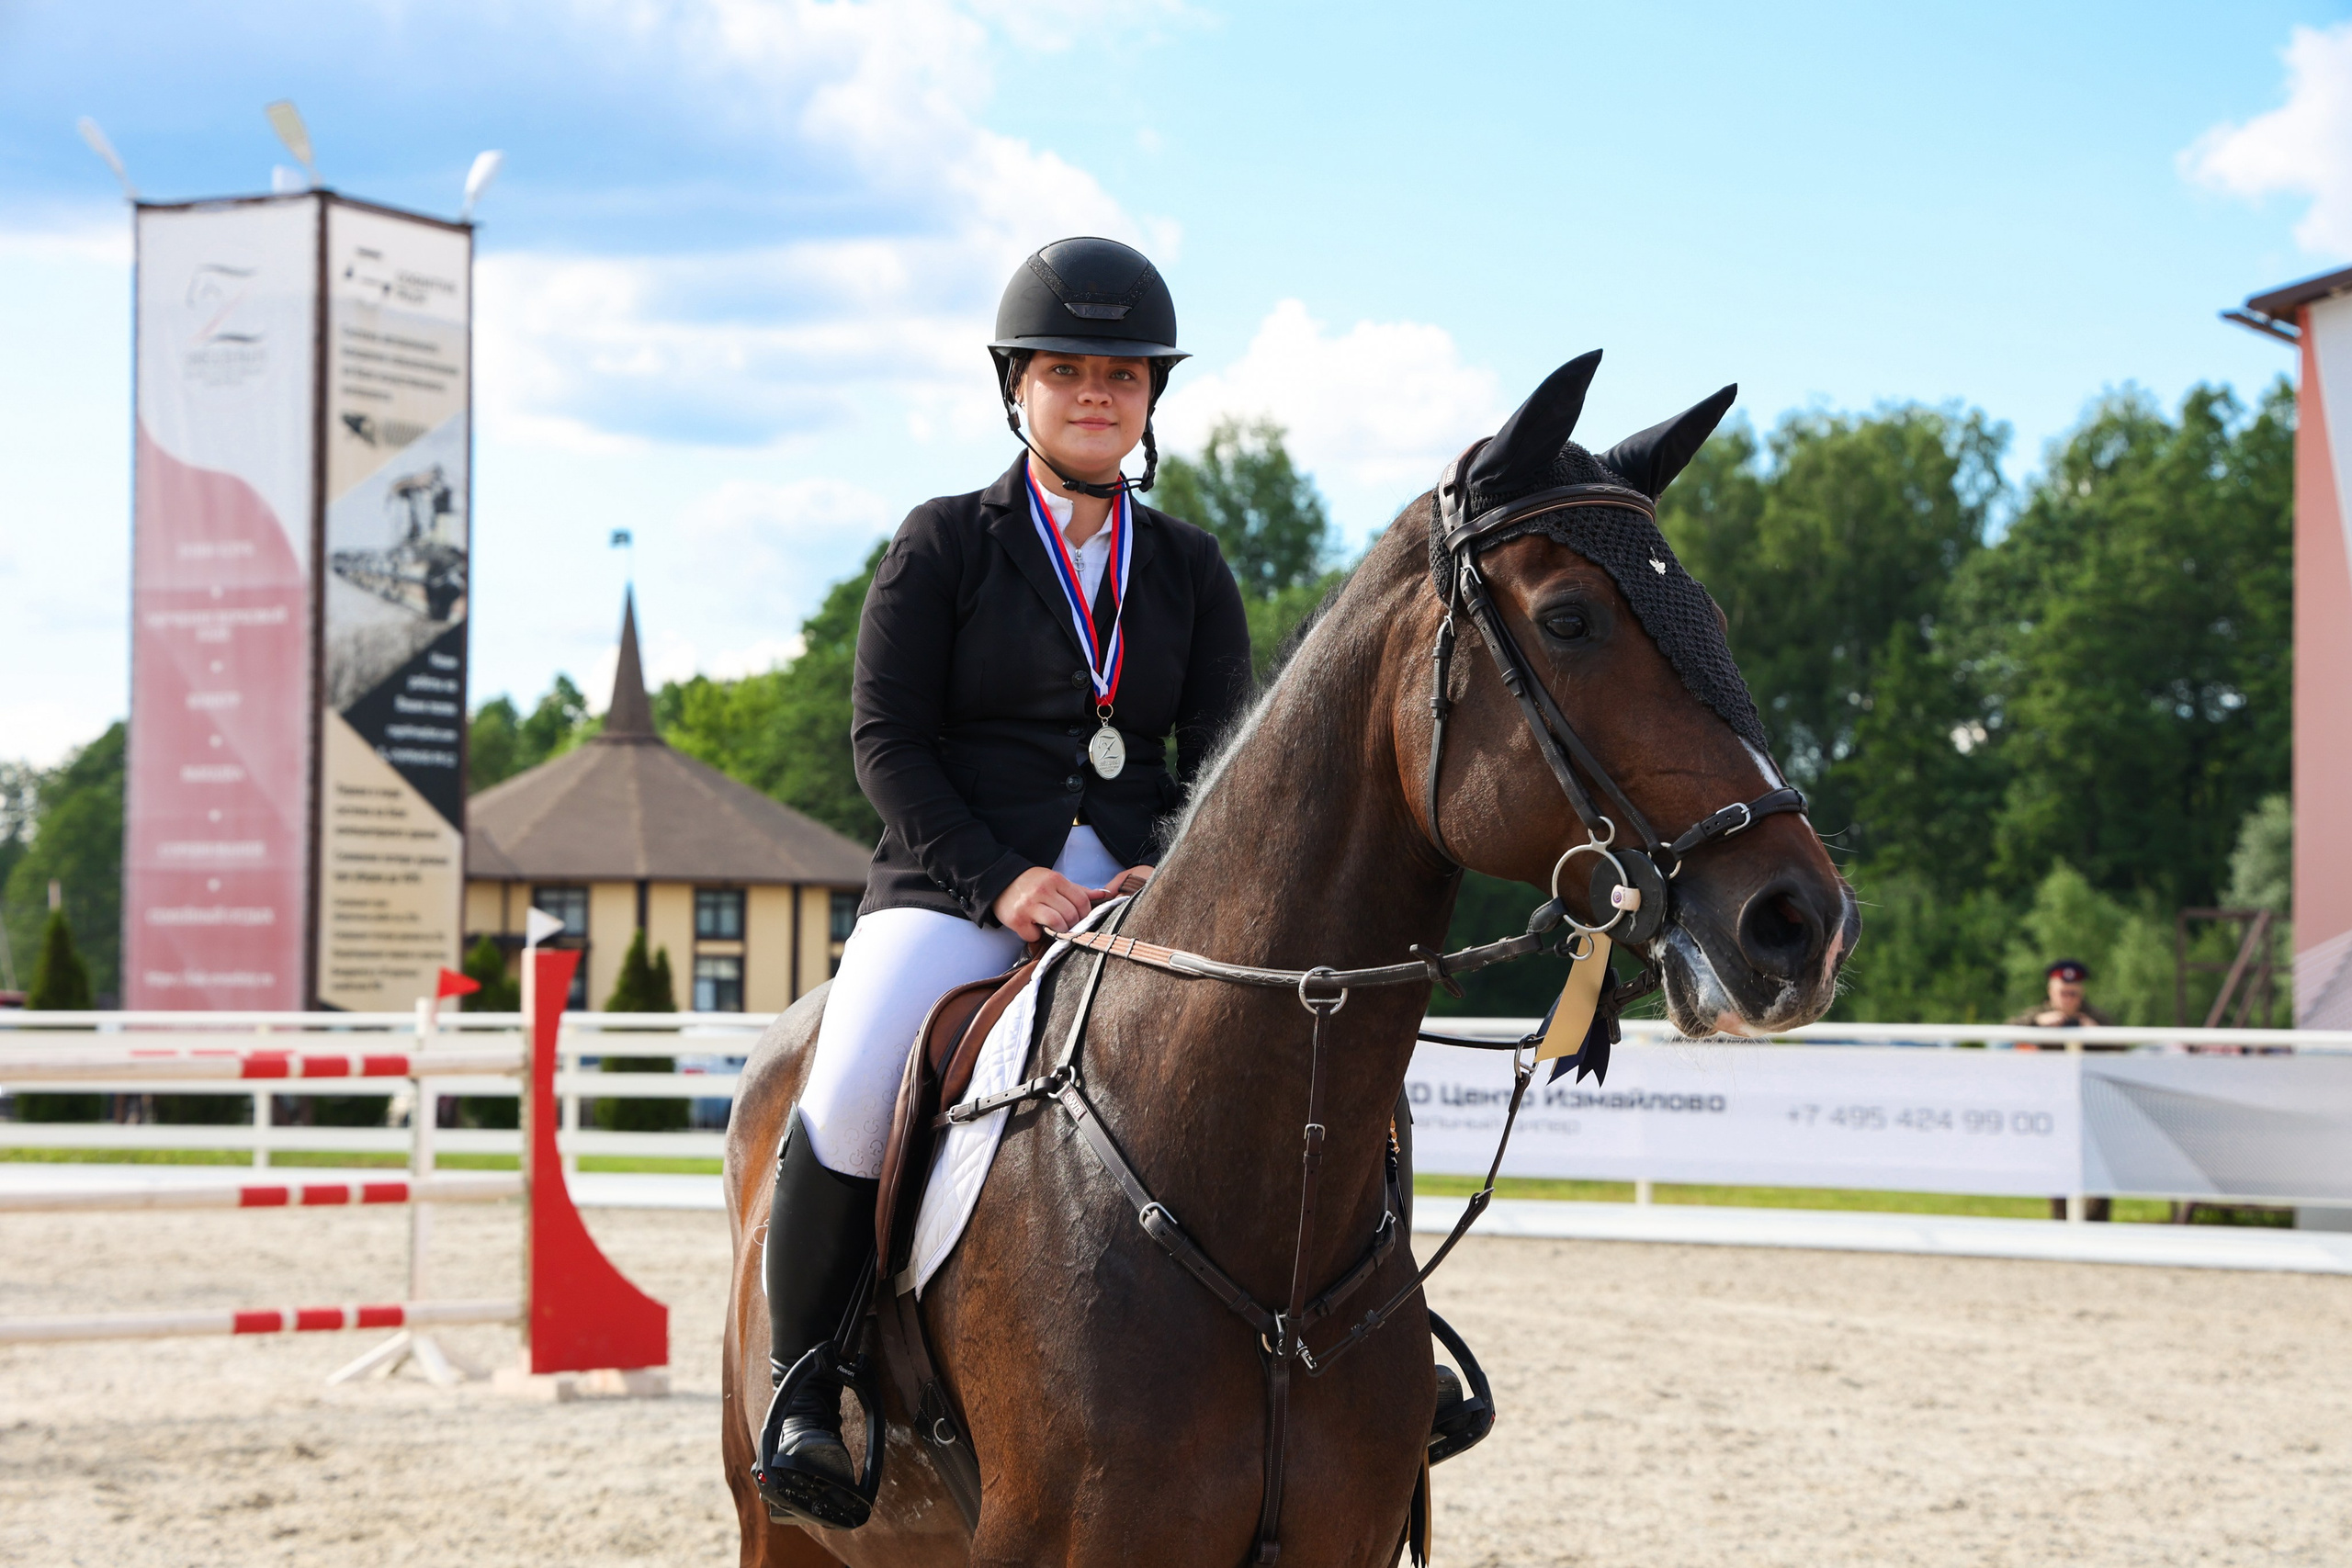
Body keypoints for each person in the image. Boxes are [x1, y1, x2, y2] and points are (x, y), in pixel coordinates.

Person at [755, 237, 1253, 1526]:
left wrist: (1185, 863)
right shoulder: (944, 545)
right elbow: (886, 744)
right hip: (951, 878)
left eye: (1124, 374)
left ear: (1151, 398)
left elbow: (1221, 756)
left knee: (1287, 1043)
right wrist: (1002, 879)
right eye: (1069, 370)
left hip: (1142, 883)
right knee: (857, 1068)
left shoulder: (1189, 566)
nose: (1098, 393)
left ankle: (1369, 1339)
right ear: (1016, 388)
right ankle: (809, 1377)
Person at [2010, 959, 2116, 1221]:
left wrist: (2095, 1034)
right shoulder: (2036, 1017)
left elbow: (2121, 1046)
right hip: (2051, 1107)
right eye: (2063, 992)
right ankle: (2061, 1222)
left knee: (2099, 1170)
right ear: (2051, 991)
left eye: (2074, 993)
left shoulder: (2095, 1018)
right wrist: (2037, 1024)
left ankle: (2098, 1226)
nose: (2069, 999)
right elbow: (2007, 1036)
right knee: (2057, 1169)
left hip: (2091, 1107)